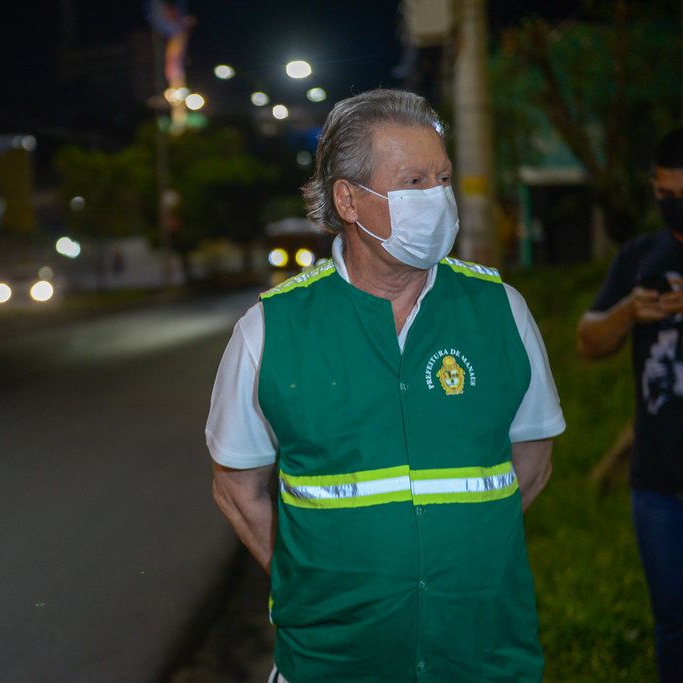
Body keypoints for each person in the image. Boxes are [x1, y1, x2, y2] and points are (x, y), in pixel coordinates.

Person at [205, 89, 565, 682]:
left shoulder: (501, 310)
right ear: (348, 199)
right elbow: (238, 491)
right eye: (414, 181)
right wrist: (316, 582)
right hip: (334, 663)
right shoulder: (270, 329)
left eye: (443, 178)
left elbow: (532, 461)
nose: (438, 199)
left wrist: (452, 548)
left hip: (481, 654)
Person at [577, 128, 683, 682]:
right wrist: (628, 312)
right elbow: (588, 340)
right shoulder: (642, 254)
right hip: (659, 485)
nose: (675, 206)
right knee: (672, 626)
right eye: (665, 194)